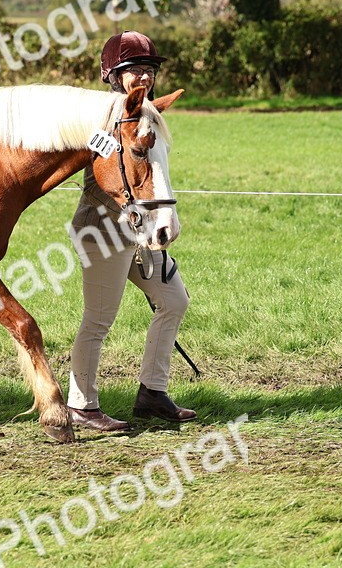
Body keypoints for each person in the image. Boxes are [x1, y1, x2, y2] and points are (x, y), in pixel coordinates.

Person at [67, 31, 197, 432]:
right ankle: (81, 405)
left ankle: (152, 393)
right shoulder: (94, 120)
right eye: (134, 70)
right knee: (99, 320)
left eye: (149, 70)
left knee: (174, 300)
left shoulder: (147, 115)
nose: (143, 77)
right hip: (103, 229)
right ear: (113, 75)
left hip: (138, 231)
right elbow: (105, 173)